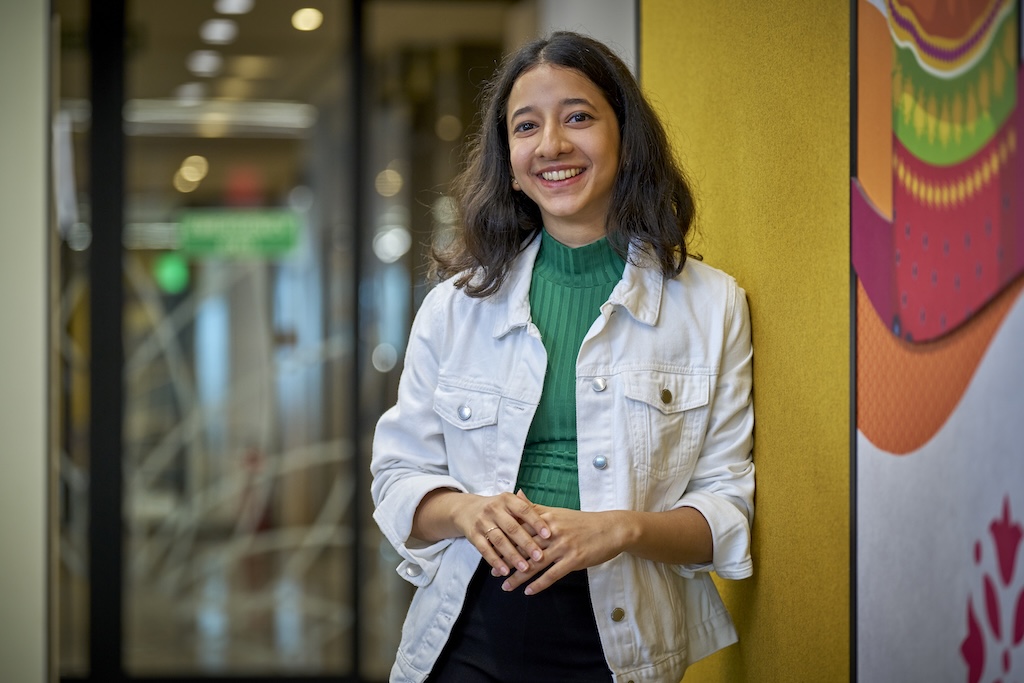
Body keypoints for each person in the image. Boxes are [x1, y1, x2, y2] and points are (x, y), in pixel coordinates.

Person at [370, 30, 754, 683]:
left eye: (578, 116)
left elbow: (728, 506)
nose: (551, 144)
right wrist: (466, 509)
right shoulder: (455, 306)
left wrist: (620, 529)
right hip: (469, 628)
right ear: (509, 159)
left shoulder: (712, 305)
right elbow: (397, 475)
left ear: (625, 137)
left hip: (621, 643)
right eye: (527, 126)